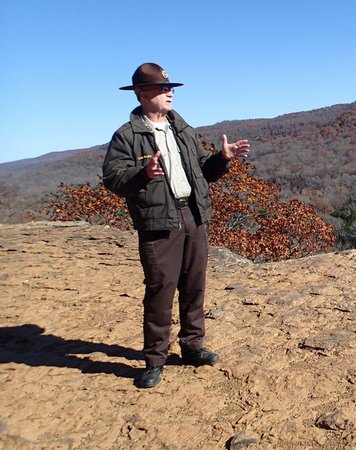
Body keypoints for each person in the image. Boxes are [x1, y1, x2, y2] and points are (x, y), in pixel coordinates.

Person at [103, 62, 250, 388]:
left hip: (193, 216)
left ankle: (192, 347)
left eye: (171, 88)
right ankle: (155, 360)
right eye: (162, 88)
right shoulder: (127, 136)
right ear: (142, 93)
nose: (170, 92)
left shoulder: (181, 128)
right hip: (158, 224)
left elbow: (204, 172)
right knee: (160, 291)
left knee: (194, 285)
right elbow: (113, 179)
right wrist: (144, 174)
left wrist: (222, 158)